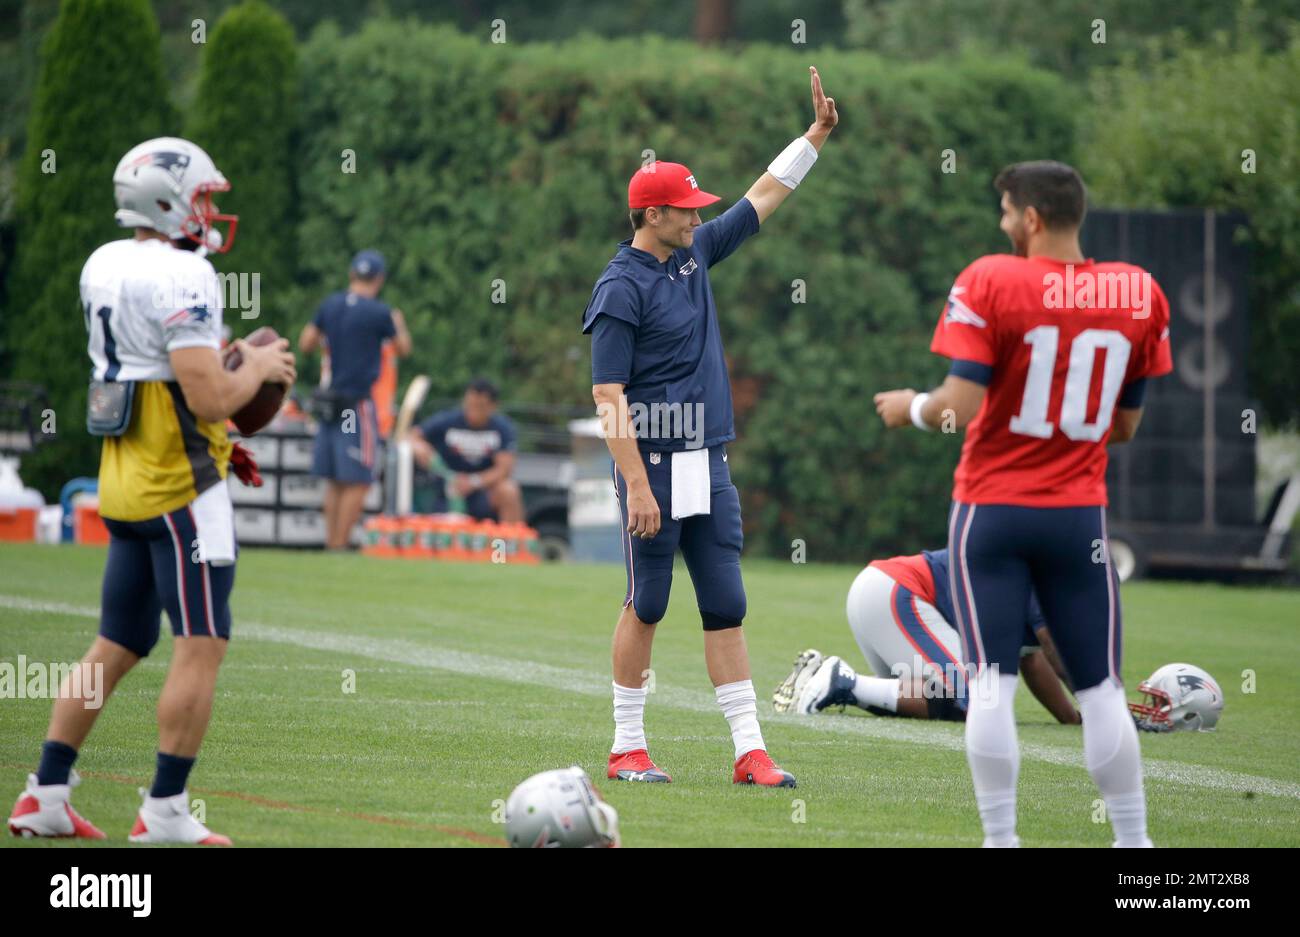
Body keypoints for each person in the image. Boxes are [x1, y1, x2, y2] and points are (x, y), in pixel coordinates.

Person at [6, 137, 296, 844]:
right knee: (201, 643)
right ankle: (164, 809)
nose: (207, 211)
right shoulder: (185, 273)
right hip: (180, 485)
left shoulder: (103, 261)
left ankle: (44, 792)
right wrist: (256, 367)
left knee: (116, 641)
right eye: (201, 197)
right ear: (168, 199)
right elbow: (206, 394)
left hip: (123, 477)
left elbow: (157, 376)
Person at [874, 160, 1172, 847]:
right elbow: (1124, 426)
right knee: (1100, 690)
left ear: (1032, 218)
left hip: (994, 509)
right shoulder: (1136, 292)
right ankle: (1134, 845)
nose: (1003, 225)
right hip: (1078, 516)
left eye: (1008, 212)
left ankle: (1002, 839)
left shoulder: (991, 279)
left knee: (990, 685)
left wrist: (909, 407)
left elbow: (960, 404)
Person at [583, 66, 838, 788]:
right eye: (685, 209)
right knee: (650, 599)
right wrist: (635, 482)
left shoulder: (694, 256)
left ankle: (749, 749)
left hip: (706, 457)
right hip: (653, 460)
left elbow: (763, 195)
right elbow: (607, 393)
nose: (697, 217)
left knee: (725, 599)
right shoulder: (618, 286)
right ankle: (626, 745)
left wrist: (813, 137)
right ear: (650, 215)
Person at [773, 548, 1079, 724]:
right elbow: (1052, 645)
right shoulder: (1047, 574)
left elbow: (1033, 659)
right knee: (976, 702)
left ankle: (826, 681)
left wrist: (1073, 719)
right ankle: (843, 682)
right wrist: (1100, 706)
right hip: (899, 592)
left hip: (880, 590)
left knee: (924, 700)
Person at [299, 249, 412, 550]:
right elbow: (402, 349)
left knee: (335, 478)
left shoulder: (331, 305)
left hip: (327, 403)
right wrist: (397, 323)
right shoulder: (379, 313)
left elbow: (306, 343)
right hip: (355, 405)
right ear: (379, 279)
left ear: (352, 275)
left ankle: (330, 544)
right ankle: (338, 546)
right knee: (358, 478)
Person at [407, 378, 524, 522]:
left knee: (509, 490)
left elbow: (504, 469)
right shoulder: (448, 420)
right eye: (469, 405)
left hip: (482, 492)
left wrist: (473, 482)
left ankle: (506, 542)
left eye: (479, 406)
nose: (473, 411)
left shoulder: (502, 428)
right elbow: (412, 435)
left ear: (493, 406)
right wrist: (420, 447)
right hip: (447, 490)